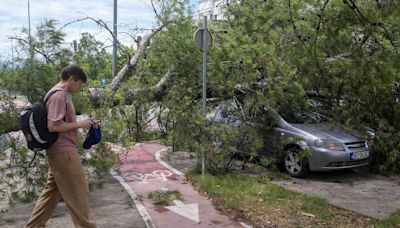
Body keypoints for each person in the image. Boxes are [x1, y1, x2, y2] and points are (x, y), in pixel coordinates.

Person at [26, 64, 97, 228]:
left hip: (58, 153)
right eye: (79, 84)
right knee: (79, 194)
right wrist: (80, 124)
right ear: (72, 79)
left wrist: (84, 123)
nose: (80, 88)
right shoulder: (59, 95)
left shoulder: (57, 93)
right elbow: (54, 126)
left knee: (51, 194)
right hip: (64, 153)